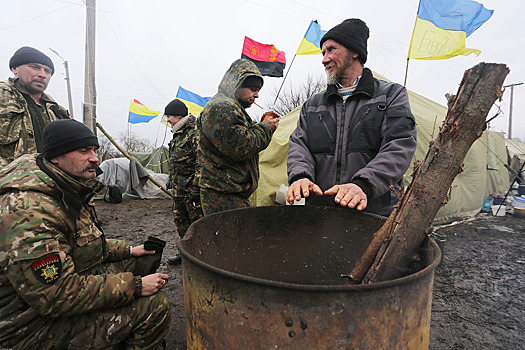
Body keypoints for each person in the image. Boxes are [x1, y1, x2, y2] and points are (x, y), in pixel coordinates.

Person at [0, 119, 171, 349]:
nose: (95, 158)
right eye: (83, 151)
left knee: (140, 260)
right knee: (155, 305)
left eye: (94, 150)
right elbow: (56, 295)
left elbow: (82, 242)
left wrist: (130, 250)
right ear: (55, 157)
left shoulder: (63, 185)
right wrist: (136, 286)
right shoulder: (29, 211)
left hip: (47, 302)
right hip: (27, 326)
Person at [286, 18, 417, 216]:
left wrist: (363, 184)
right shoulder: (312, 105)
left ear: (354, 51)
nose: (324, 59)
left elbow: (399, 145)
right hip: (320, 213)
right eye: (323, 53)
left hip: (372, 211)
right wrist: (300, 176)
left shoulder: (391, 95)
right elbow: (299, 145)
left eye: (331, 50)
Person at [197, 58, 279, 215]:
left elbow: (237, 135)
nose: (256, 96)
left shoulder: (231, 107)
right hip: (223, 195)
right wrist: (266, 128)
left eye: (258, 91)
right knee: (232, 238)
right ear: (237, 84)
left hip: (229, 192)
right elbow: (241, 146)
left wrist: (259, 126)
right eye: (253, 89)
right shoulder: (222, 107)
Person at [0, 46, 70, 168]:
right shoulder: (2, 97)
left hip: (51, 182)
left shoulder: (55, 109)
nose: (42, 74)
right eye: (34, 67)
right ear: (15, 69)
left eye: (47, 71)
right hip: (9, 182)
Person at [164, 99, 203, 265]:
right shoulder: (178, 134)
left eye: (169, 116)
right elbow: (176, 161)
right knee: (181, 223)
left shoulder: (194, 133)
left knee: (197, 224)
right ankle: (186, 253)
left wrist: (197, 186)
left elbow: (201, 161)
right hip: (178, 191)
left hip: (191, 192)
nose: (167, 120)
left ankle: (201, 255)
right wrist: (170, 179)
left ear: (179, 115)